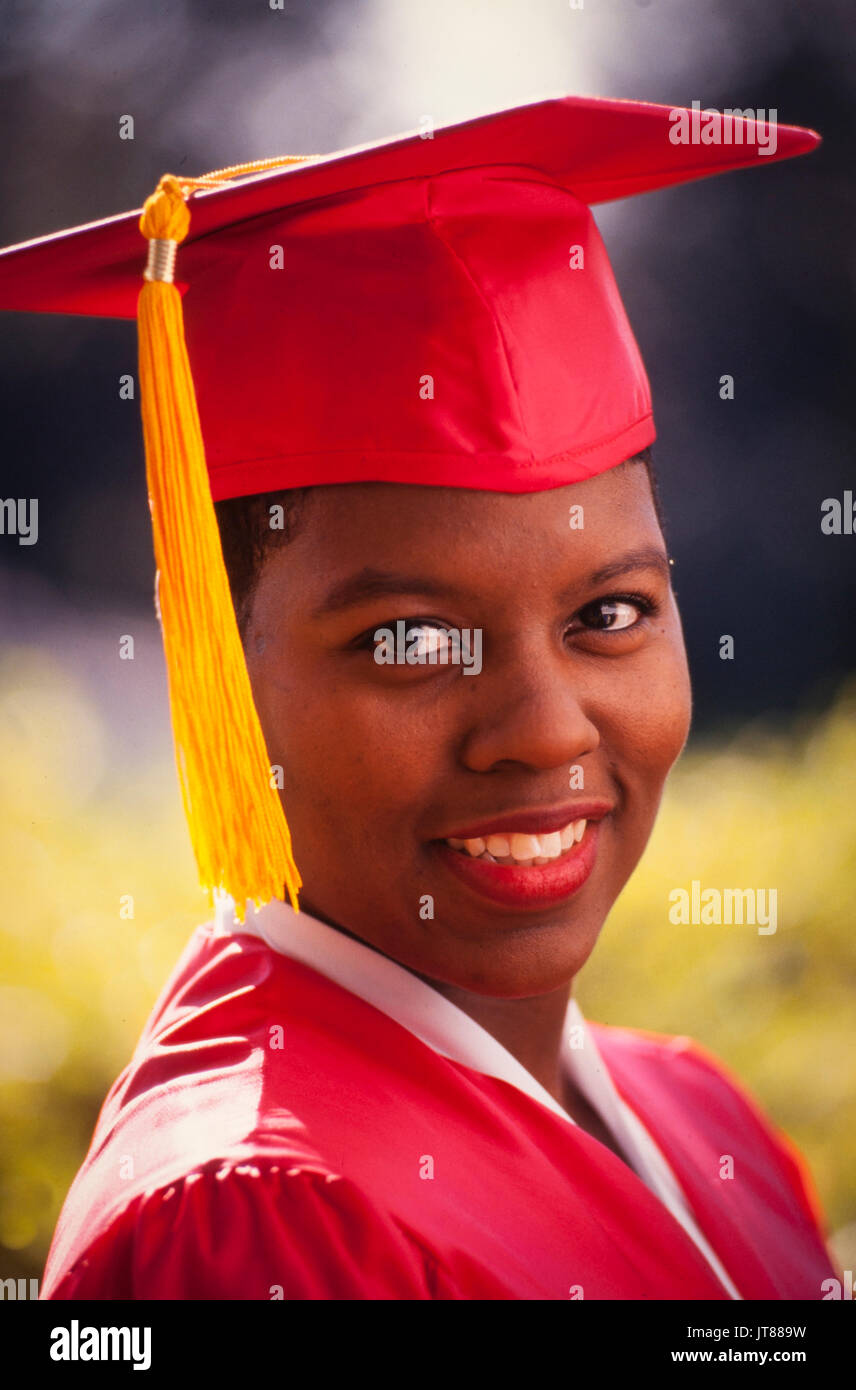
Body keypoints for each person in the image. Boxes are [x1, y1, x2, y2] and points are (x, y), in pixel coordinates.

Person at [0, 94, 839, 1299]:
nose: (545, 727)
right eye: (409, 638)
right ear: (221, 675)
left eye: (608, 614)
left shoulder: (699, 1116)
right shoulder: (258, 1224)